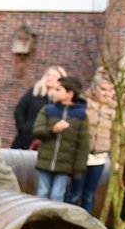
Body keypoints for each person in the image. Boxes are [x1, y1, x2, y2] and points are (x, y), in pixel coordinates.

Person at [33, 75, 89, 203]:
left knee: (57, 196)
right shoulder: (47, 110)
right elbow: (37, 131)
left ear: (70, 94)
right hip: (45, 162)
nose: (53, 92)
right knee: (42, 193)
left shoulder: (81, 115)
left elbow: (83, 145)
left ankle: (52, 222)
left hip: (65, 165)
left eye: (58, 90)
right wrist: (52, 130)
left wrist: (79, 170)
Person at [75, 77, 115, 215]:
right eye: (103, 89)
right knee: (75, 193)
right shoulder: (84, 105)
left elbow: (117, 137)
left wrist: (117, 160)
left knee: (90, 195)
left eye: (111, 90)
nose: (107, 93)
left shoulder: (114, 111)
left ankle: (85, 224)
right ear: (94, 89)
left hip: (99, 157)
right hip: (81, 156)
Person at [13, 65, 66, 149]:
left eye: (54, 76)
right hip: (25, 139)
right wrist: (23, 128)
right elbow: (19, 110)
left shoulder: (62, 99)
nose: (50, 77)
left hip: (47, 142)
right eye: (48, 75)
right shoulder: (34, 92)